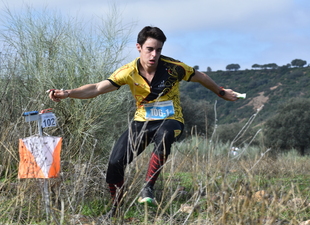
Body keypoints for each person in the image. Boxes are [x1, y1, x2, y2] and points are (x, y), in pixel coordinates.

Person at [48, 26, 238, 216]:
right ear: (139, 47)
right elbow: (97, 88)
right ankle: (115, 210)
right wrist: (68, 93)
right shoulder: (128, 71)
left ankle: (148, 188)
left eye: (159, 50)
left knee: (165, 134)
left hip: (171, 119)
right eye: (150, 49)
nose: (154, 54)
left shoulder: (174, 68)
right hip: (142, 122)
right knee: (115, 162)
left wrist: (221, 92)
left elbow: (201, 77)